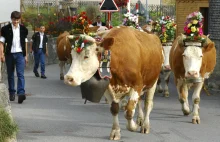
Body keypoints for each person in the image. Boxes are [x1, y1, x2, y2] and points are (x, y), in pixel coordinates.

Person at [0, 11, 28, 104]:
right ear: (11, 19)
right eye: (13, 19)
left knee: (20, 74)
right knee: (10, 74)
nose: (15, 21)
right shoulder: (5, 29)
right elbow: (1, 43)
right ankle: (12, 92)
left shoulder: (24, 29)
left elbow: (25, 43)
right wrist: (2, 54)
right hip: (9, 55)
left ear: (19, 19)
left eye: (17, 20)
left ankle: (21, 93)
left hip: (20, 54)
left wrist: (26, 55)